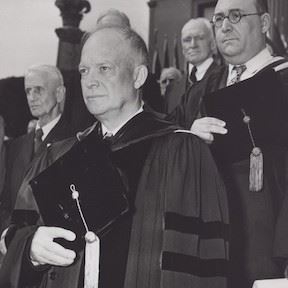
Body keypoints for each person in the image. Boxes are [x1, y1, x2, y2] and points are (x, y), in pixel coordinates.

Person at [0, 26, 229, 288]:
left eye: (104, 68)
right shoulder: (59, 155)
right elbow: (15, 235)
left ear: (138, 76)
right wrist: (31, 248)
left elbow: (202, 264)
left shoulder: (182, 152)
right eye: (84, 71)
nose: (90, 80)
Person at [188, 0, 288, 287]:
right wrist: (187, 138)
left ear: (265, 24)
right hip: (209, 247)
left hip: (269, 251)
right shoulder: (201, 90)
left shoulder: (284, 80)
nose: (225, 26)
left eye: (236, 16)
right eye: (218, 19)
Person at [0, 64, 72, 234]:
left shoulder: (74, 142)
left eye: (38, 90)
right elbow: (6, 203)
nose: (31, 97)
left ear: (59, 93)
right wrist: (7, 236)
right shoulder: (15, 146)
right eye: (28, 91)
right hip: (11, 246)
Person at [167, 17, 222, 128]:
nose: (193, 44)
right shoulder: (174, 87)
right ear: (182, 48)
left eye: (200, 38)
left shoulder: (223, 77)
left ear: (212, 44)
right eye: (187, 40)